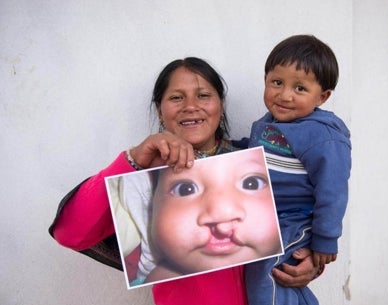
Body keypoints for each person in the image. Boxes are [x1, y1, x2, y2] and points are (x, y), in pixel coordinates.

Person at [49, 57, 322, 305]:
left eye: (203, 95)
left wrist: (309, 261)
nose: (191, 107)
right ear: (159, 110)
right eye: (176, 98)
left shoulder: (257, 167)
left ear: (220, 106)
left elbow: (299, 224)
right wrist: (132, 160)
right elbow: (70, 233)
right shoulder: (145, 180)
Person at [243, 35, 352, 305]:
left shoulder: (322, 136)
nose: (285, 95)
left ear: (322, 96)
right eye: (277, 82)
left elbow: (333, 191)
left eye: (300, 88)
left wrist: (325, 240)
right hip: (270, 219)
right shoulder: (267, 124)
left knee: (264, 271)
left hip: (297, 222)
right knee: (281, 278)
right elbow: (257, 155)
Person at [143, 147, 282, 284]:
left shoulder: (290, 261)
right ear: (153, 199)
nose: (221, 213)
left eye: (251, 184)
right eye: (185, 189)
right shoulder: (162, 279)